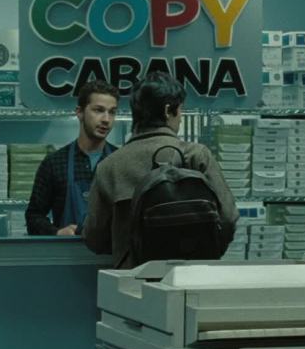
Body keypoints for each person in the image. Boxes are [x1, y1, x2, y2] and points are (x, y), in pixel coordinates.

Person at [83, 71, 239, 268]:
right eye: (180, 111)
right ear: (167, 111)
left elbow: (94, 238)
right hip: (190, 275)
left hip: (131, 278)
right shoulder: (196, 156)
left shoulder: (109, 166)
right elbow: (228, 218)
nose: (180, 119)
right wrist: (205, 253)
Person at [25, 80, 120, 236]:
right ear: (80, 112)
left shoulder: (120, 162)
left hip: (108, 250)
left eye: (112, 112)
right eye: (98, 110)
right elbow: (33, 216)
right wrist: (57, 233)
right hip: (66, 249)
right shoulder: (54, 163)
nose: (106, 119)